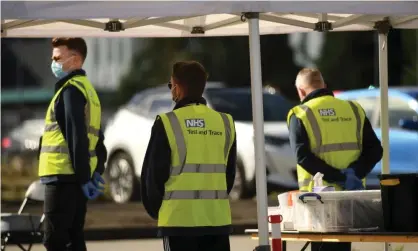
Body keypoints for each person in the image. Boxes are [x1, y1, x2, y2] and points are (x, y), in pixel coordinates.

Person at [141, 61, 237, 251]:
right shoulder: (225, 123)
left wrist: (157, 211)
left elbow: (152, 177)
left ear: (177, 87)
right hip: (216, 222)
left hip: (179, 224)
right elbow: (229, 175)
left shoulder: (167, 123)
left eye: (171, 86)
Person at [287, 68, 383, 251]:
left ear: (300, 90)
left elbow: (303, 156)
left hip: (318, 200)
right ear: (324, 85)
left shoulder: (300, 113)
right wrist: (353, 174)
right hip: (351, 198)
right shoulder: (353, 109)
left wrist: (336, 176)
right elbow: (375, 150)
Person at [38, 37, 107, 251]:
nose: (53, 63)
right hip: (77, 180)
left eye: (58, 58)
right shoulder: (89, 91)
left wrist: (85, 176)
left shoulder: (70, 91)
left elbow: (77, 136)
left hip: (62, 178)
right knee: (74, 238)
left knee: (55, 240)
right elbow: (98, 140)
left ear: (75, 60)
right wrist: (95, 172)